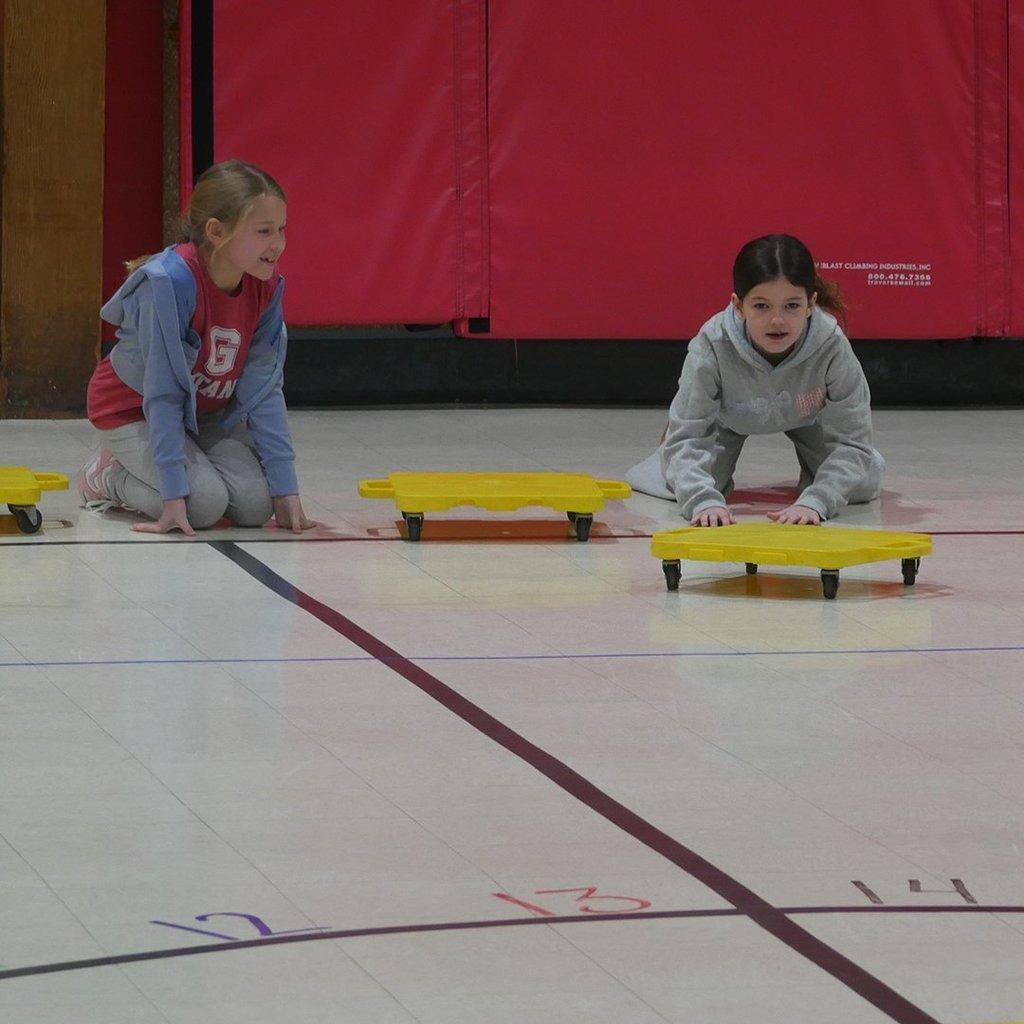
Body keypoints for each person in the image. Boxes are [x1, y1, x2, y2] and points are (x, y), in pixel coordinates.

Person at [78, 159, 316, 536]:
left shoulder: (265, 285)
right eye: (264, 231)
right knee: (202, 505)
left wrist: (286, 488)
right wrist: (173, 494)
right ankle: (108, 475)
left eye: (282, 229)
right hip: (132, 410)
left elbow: (264, 388)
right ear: (216, 232)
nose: (278, 244)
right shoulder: (169, 285)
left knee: (256, 505)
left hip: (201, 415)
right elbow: (163, 393)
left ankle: (186, 467)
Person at [625, 233, 884, 526]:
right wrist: (702, 500)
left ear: (811, 303)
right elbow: (688, 437)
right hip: (729, 417)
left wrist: (817, 501)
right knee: (681, 482)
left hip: (810, 415)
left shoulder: (832, 346)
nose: (777, 320)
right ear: (739, 305)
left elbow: (853, 442)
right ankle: (664, 449)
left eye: (792, 306)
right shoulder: (713, 342)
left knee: (862, 484)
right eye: (761, 306)